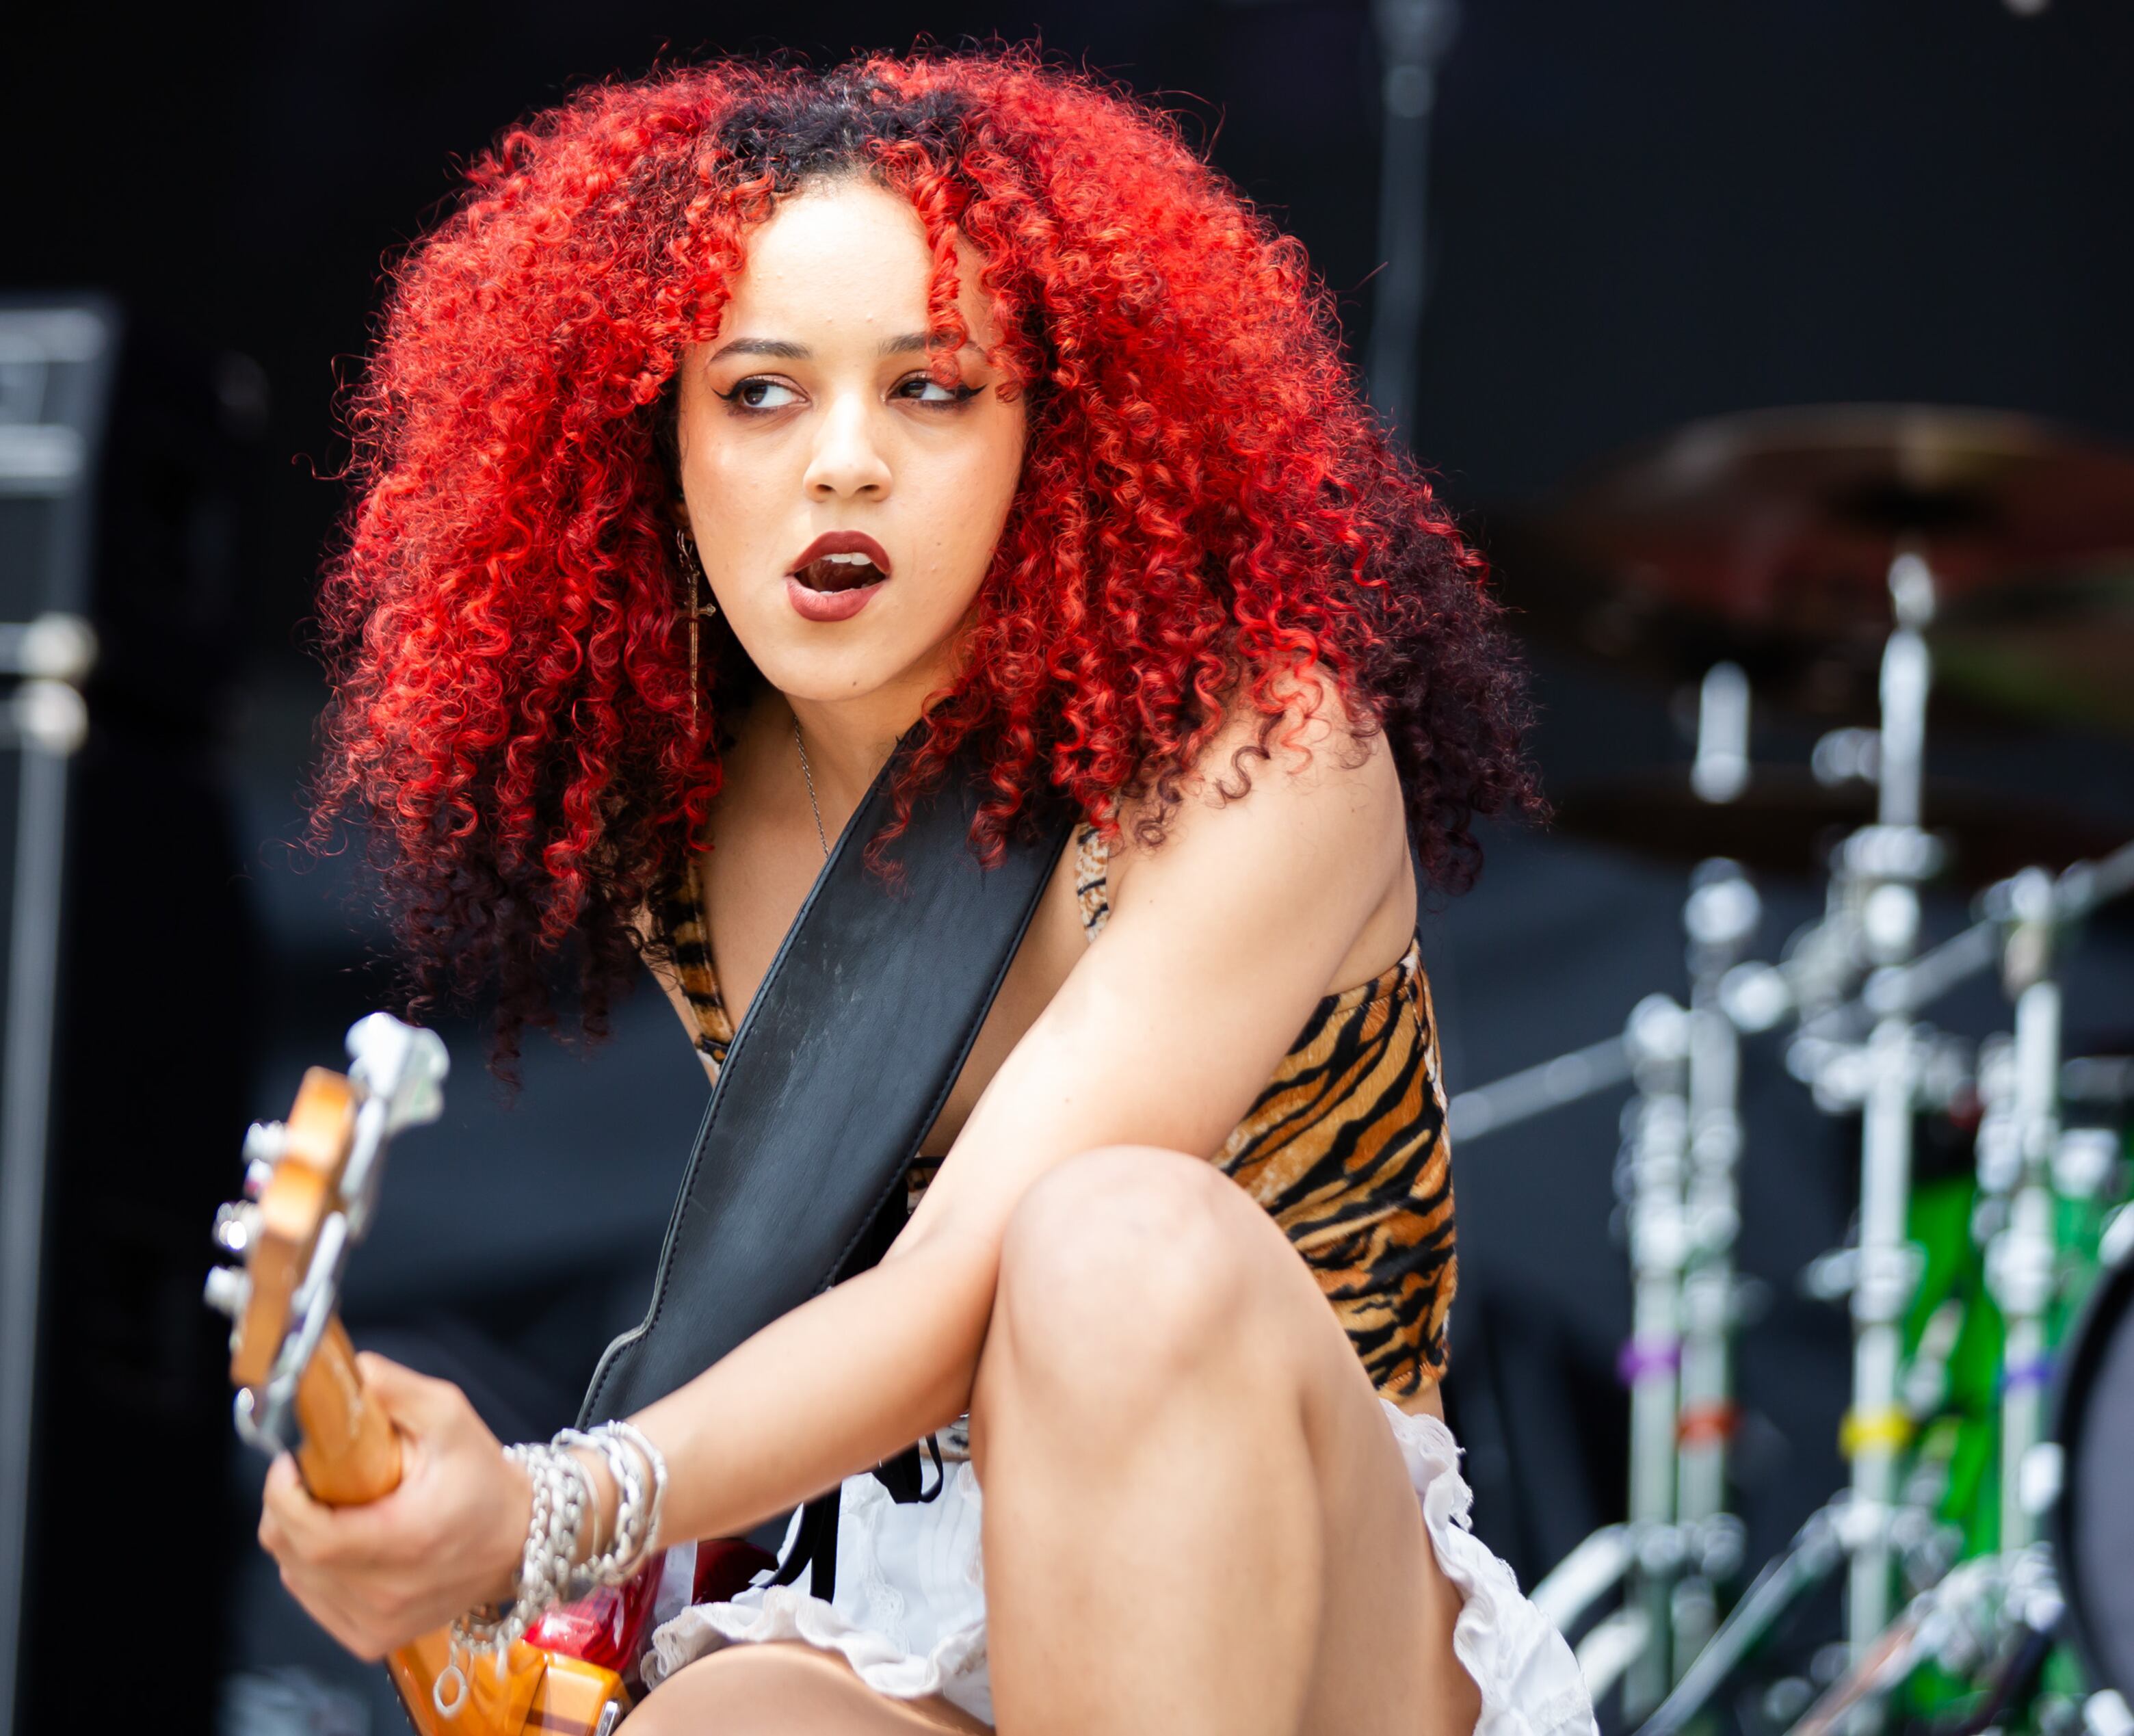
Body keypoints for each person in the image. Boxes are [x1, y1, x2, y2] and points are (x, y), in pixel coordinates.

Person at [260, 47, 1594, 1736]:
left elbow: (963, 1277)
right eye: (758, 392)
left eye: (934, 388)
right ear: (646, 444)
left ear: (1064, 430)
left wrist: (546, 1509)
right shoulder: (686, 820)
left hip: (1322, 1610)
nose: (842, 462)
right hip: (928, 1590)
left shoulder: (1267, 755)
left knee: (1109, 1243)